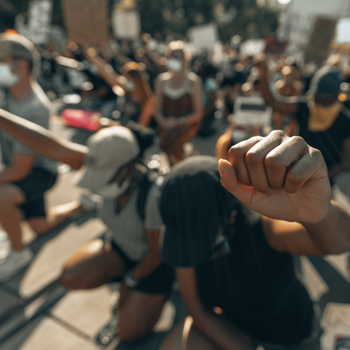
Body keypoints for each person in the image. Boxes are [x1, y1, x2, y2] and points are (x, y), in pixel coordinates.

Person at [159, 131, 350, 350]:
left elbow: (339, 242)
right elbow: (197, 309)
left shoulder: (263, 228)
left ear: (231, 216)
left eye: (199, 237)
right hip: (238, 331)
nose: (190, 248)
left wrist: (320, 214)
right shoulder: (182, 240)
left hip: (292, 337)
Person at [0, 108, 175, 343]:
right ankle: (124, 284)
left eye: (104, 176)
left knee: (129, 333)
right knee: (71, 276)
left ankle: (149, 294)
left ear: (129, 167)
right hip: (121, 246)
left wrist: (128, 286)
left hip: (153, 262)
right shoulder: (105, 160)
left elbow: (155, 255)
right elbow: (49, 145)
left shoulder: (154, 194)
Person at [0, 33, 75, 281]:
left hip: (39, 173)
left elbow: (21, 170)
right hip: (21, 167)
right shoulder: (7, 92)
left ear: (20, 65)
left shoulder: (33, 108)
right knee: (39, 226)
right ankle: (81, 205)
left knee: (1, 198)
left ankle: (18, 253)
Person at [257, 59, 350, 180]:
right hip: (293, 172)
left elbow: (346, 162)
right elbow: (272, 101)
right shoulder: (305, 107)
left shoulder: (345, 120)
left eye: (325, 100)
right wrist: (263, 74)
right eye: (318, 98)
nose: (320, 104)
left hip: (319, 182)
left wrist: (316, 176)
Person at [154, 40, 203, 165]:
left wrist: (179, 122)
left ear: (185, 59)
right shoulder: (161, 81)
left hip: (185, 126)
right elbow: (157, 109)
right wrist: (164, 123)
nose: (173, 60)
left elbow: (198, 113)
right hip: (166, 127)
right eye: (170, 56)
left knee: (172, 144)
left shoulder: (194, 82)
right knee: (168, 144)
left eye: (176, 56)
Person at [84, 47, 155, 127]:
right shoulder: (127, 89)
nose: (126, 81)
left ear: (137, 80)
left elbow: (141, 126)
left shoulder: (148, 101)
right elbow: (106, 71)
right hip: (120, 128)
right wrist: (90, 54)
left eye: (129, 78)